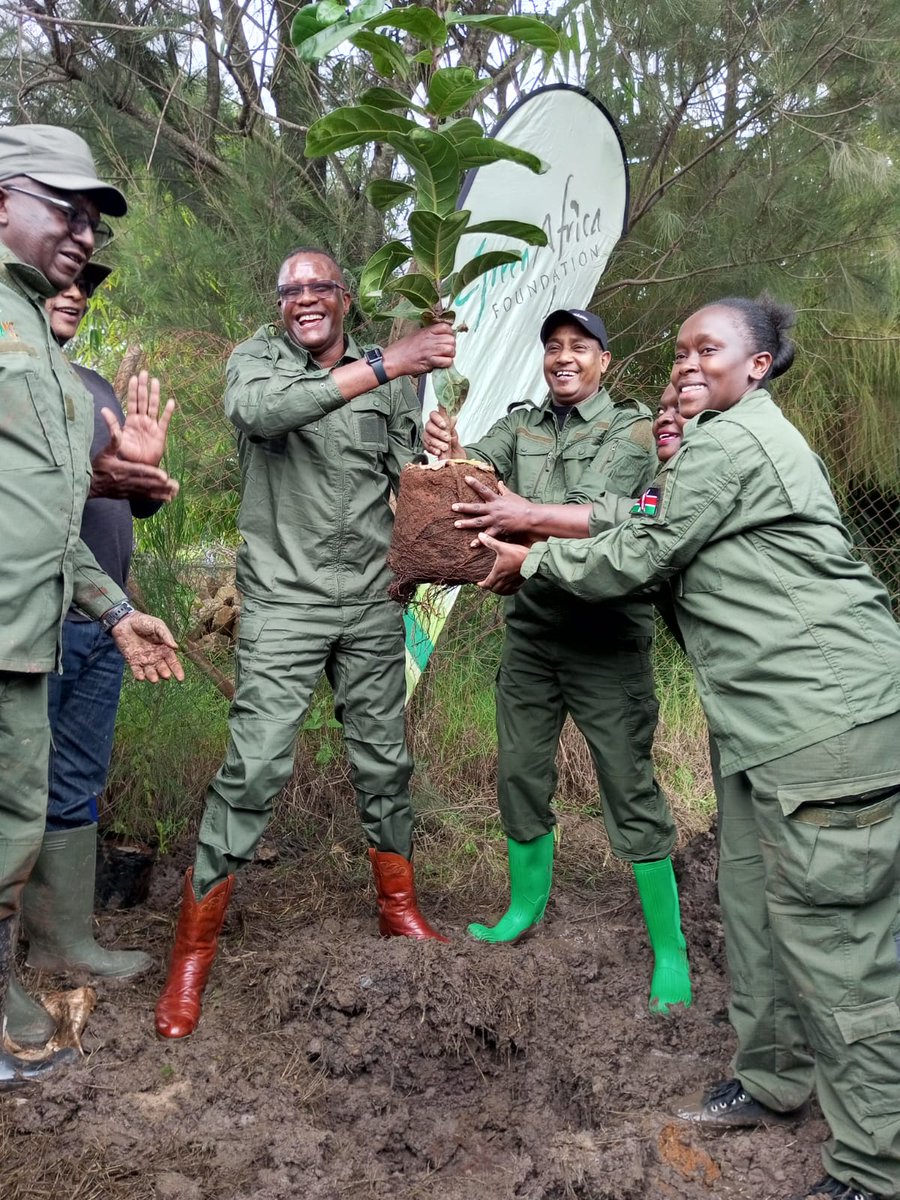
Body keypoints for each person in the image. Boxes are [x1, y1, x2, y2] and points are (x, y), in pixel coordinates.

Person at [476, 296, 900, 1200]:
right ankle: (777, 1076)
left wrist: (528, 560)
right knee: (750, 907)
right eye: (680, 350)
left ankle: (875, 1164)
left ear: (759, 365)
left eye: (710, 347)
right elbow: (635, 523)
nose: (687, 362)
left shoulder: (736, 440)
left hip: (824, 721)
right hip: (758, 726)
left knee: (840, 944)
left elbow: (642, 552)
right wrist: (530, 517)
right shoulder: (707, 444)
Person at [154, 247, 457, 1040]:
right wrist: (394, 360)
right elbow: (266, 416)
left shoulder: (388, 382)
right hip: (285, 602)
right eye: (290, 290)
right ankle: (191, 957)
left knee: (384, 759)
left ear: (346, 298)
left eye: (319, 287)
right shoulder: (257, 361)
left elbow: (404, 481)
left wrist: (438, 463)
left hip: (369, 599)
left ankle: (398, 908)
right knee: (254, 767)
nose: (304, 300)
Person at [424, 309, 692, 1016]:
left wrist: (525, 515)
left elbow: (628, 517)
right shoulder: (522, 427)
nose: (563, 358)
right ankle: (523, 907)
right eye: (553, 348)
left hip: (607, 633)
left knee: (628, 784)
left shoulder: (638, 430)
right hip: (534, 631)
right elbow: (473, 476)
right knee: (519, 771)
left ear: (604, 361)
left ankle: (668, 949)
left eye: (578, 347)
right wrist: (451, 450)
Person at [0, 124, 184, 1091]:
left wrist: (115, 606)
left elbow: (53, 518)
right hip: (14, 631)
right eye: (62, 211)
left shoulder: (62, 365)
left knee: (36, 805)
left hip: (51, 626)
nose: (79, 242)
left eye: (88, 224)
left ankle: (35, 967)